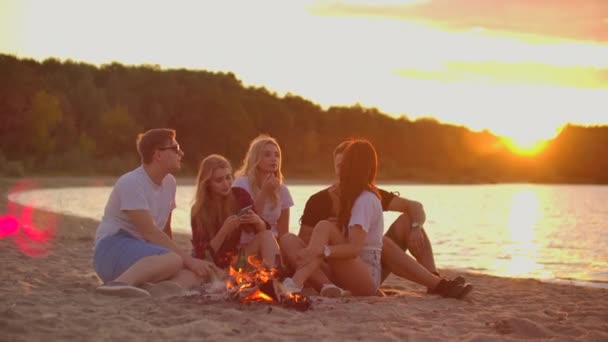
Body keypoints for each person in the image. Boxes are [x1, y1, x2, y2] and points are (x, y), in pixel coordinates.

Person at [280, 140, 472, 298]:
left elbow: (415, 207)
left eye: (347, 165)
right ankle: (326, 287)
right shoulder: (319, 201)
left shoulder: (368, 195)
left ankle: (433, 279)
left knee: (402, 225)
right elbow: (305, 243)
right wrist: (335, 233)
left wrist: (415, 227)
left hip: (364, 264)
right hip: (331, 266)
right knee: (292, 238)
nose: (342, 170)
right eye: (339, 166)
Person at [93, 128, 220, 297]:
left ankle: (151, 290)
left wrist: (189, 264)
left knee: (195, 273)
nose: (181, 153)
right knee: (175, 260)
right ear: (157, 155)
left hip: (145, 255)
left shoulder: (170, 183)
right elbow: (149, 232)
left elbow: (165, 230)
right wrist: (186, 259)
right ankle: (119, 284)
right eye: (175, 149)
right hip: (112, 250)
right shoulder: (131, 183)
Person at [190, 154, 281, 270]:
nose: (226, 184)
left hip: (235, 260)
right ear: (207, 183)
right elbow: (202, 255)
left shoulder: (239, 195)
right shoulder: (199, 210)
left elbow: (257, 230)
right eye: (219, 180)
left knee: (267, 235)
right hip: (210, 264)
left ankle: (271, 278)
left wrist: (258, 221)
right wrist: (224, 230)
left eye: (228, 177)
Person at [233, 134, 294, 244]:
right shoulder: (241, 184)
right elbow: (249, 223)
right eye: (267, 155)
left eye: (277, 155)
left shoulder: (282, 190)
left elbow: (283, 233)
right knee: (266, 236)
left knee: (291, 240)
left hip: (273, 244)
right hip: (247, 244)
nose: (274, 159)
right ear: (255, 158)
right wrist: (265, 192)